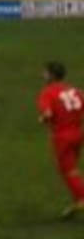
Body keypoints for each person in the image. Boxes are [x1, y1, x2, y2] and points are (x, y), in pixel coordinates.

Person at [37, 61, 84, 218]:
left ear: (51, 75)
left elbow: (48, 114)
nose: (42, 75)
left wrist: (42, 119)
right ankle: (77, 201)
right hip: (78, 134)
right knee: (73, 170)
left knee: (68, 171)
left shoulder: (47, 92)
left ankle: (81, 199)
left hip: (62, 137)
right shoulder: (75, 91)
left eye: (45, 72)